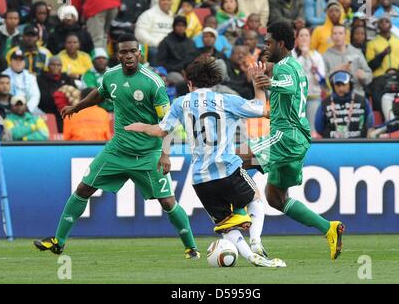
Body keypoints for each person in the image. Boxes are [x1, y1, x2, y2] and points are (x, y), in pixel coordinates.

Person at [33, 34, 200, 260]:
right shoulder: (111, 76)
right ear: (117, 54)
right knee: (83, 189)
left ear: (140, 53)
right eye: (124, 52)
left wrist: (165, 154)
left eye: (133, 51)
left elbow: (167, 123)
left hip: (147, 154)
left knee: (168, 201)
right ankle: (58, 242)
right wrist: (77, 107)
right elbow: (100, 93)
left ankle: (191, 248)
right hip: (117, 150)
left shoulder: (153, 82)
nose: (129, 55)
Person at [124, 56, 284, 267]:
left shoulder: (181, 103)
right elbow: (260, 109)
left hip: (200, 179)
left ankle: (251, 257)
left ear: (189, 83)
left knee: (226, 225)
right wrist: (258, 86)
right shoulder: (226, 100)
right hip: (227, 169)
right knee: (255, 198)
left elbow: (161, 130)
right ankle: (255, 241)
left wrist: (142, 127)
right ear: (213, 81)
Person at [241, 22, 345, 260]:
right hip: (297, 140)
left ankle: (234, 229)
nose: (265, 47)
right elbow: (292, 90)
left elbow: (287, 87)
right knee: (276, 199)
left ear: (281, 43)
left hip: (285, 137)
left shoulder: (283, 68)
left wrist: (270, 83)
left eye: (268, 42)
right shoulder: (294, 65)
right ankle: (328, 228)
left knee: (233, 160)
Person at [315, 71, 375, 139]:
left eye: (344, 84)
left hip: (358, 143)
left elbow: (370, 125)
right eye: (337, 85)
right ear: (333, 86)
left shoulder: (363, 101)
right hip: (331, 144)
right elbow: (319, 127)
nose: (341, 88)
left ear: (350, 84)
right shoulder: (325, 103)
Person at [323, 25, 373, 97]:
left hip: (357, 94)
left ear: (345, 36)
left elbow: (369, 76)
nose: (338, 36)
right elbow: (322, 82)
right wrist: (335, 70)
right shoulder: (325, 56)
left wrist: (364, 76)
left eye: (340, 33)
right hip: (335, 97)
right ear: (331, 36)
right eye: (335, 33)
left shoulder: (357, 53)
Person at [292, 27, 326, 133]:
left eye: (306, 35)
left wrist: (310, 60)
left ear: (310, 38)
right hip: (296, 98)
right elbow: (292, 75)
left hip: (313, 96)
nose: (304, 38)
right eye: (301, 35)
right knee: (297, 129)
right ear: (296, 39)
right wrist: (302, 56)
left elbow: (321, 81)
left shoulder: (317, 56)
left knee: (312, 129)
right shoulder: (291, 55)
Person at [37, 56, 75, 132]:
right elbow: (42, 97)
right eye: (53, 65)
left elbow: (74, 93)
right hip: (48, 110)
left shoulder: (67, 78)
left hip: (65, 110)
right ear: (48, 66)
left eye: (58, 65)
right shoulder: (41, 78)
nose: (56, 67)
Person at [135, 0, 174, 66]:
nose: (166, 2)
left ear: (172, 2)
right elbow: (139, 33)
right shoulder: (148, 14)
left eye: (168, 0)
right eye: (163, 0)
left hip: (170, 47)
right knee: (155, 52)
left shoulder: (172, 17)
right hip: (153, 46)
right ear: (158, 1)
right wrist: (157, 43)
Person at [3, 50, 41, 115]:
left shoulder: (30, 77)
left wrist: (27, 108)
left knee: (44, 119)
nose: (18, 62)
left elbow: (35, 95)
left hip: (27, 108)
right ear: (10, 61)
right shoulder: (4, 75)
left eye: (21, 60)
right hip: (8, 108)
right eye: (15, 60)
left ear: (24, 62)